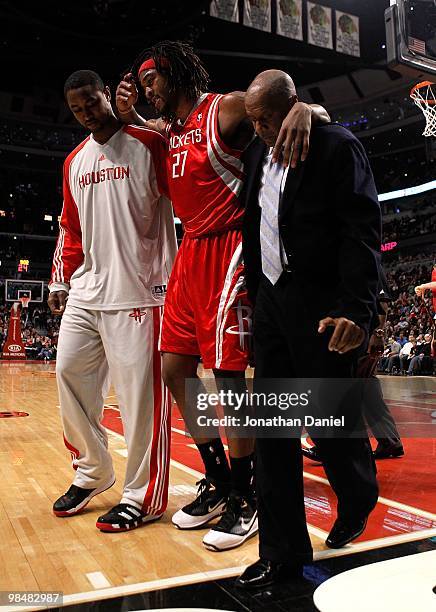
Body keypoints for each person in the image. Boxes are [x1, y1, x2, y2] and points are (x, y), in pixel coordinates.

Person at [115, 40, 330, 551]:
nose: (148, 90)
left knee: (229, 378)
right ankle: (220, 483)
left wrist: (306, 108)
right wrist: (126, 114)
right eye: (142, 83)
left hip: (231, 247)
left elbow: (282, 105)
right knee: (173, 370)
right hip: (189, 251)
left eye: (153, 80)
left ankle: (249, 496)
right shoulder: (167, 134)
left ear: (179, 73)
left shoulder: (223, 108)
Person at [237, 69, 380, 589]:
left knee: (331, 428)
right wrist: (256, 302)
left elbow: (362, 232)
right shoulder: (255, 151)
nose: (259, 130)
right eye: (253, 121)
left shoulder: (338, 148)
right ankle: (282, 553)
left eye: (267, 119)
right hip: (273, 304)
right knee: (273, 433)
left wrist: (357, 309)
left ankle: (359, 494)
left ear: (291, 106)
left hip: (324, 306)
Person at [49, 70, 177, 532]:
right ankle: (93, 470)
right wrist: (60, 282)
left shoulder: (147, 144)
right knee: (68, 374)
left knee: (140, 401)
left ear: (107, 94)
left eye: (91, 102)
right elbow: (70, 227)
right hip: (87, 291)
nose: (85, 113)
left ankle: (144, 496)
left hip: (141, 292)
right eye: (77, 109)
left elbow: (186, 183)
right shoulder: (73, 162)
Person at [302, 267, 405, 461]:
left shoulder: (368, 262)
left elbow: (382, 302)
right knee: (366, 389)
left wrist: (378, 334)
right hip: (356, 337)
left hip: (360, 338)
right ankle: (389, 441)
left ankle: (333, 447)